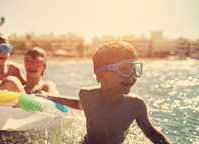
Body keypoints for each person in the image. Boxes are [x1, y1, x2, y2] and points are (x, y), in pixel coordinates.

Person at [40, 41, 170, 143]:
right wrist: (50, 97)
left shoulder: (136, 105)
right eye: (124, 69)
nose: (132, 76)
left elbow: (152, 133)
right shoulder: (87, 95)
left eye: (135, 69)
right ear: (101, 76)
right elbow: (79, 104)